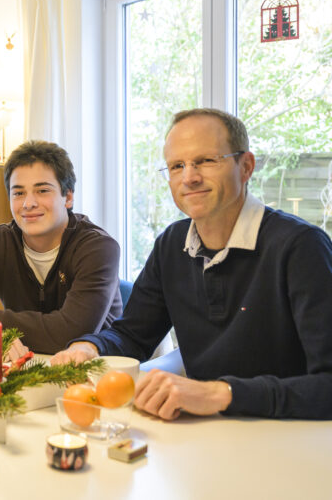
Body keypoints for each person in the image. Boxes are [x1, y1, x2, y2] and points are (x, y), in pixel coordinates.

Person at [52, 108, 332, 420]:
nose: (190, 178)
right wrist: (89, 348)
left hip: (289, 434)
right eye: (177, 166)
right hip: (204, 433)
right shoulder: (171, 244)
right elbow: (133, 335)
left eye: (206, 160)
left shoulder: (301, 247)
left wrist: (219, 393)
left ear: (246, 167)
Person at [0, 140, 122, 354]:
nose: (28, 203)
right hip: (23, 364)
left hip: (96, 367)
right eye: (18, 193)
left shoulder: (98, 248)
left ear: (68, 197)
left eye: (42, 190)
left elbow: (69, 333)